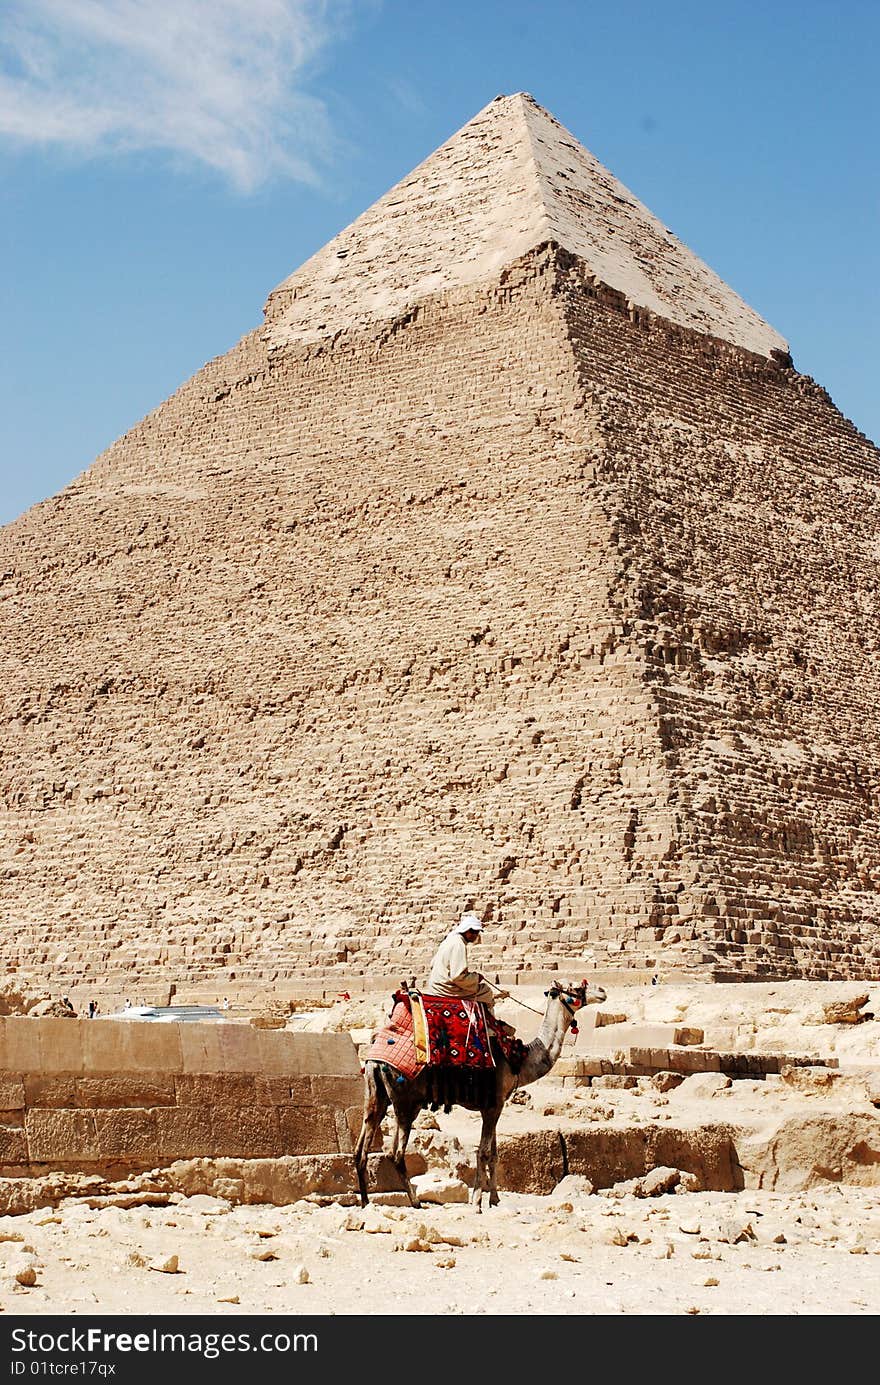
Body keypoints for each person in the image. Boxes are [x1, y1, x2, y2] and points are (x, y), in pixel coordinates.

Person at [426, 912, 509, 1011]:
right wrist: (476, 978)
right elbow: (457, 976)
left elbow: (433, 964)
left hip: (435, 986)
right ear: (468, 931)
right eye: (476, 933)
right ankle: (486, 1023)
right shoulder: (458, 944)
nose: (476, 936)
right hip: (445, 989)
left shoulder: (449, 940)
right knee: (485, 991)